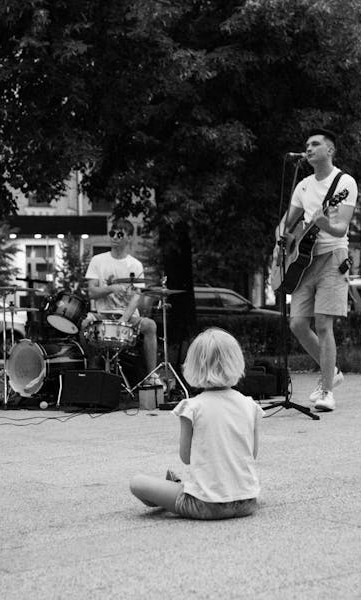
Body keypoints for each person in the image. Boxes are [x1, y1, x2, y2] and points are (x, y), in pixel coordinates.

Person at [129, 328, 262, 520]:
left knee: (137, 483)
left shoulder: (192, 407)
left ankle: (175, 490)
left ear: (194, 366)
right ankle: (178, 487)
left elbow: (186, 457)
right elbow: (253, 453)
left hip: (205, 505)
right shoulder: (250, 405)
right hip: (248, 501)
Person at [280, 127, 358, 412]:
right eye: (306, 145)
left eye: (315, 144)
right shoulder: (302, 186)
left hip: (332, 258)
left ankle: (327, 391)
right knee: (297, 324)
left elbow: (339, 229)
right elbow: (287, 222)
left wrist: (324, 223)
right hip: (303, 262)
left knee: (324, 324)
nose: (309, 149)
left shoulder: (344, 182)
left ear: (330, 150)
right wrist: (280, 241)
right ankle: (332, 372)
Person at [83, 218, 161, 385]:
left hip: (127, 317)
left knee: (150, 326)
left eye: (120, 234)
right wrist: (111, 288)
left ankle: (151, 376)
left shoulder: (135, 265)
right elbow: (91, 292)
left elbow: (136, 297)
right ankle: (91, 368)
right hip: (103, 314)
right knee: (85, 324)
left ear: (129, 238)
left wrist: (124, 320)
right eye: (112, 233)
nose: (115, 237)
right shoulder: (98, 260)